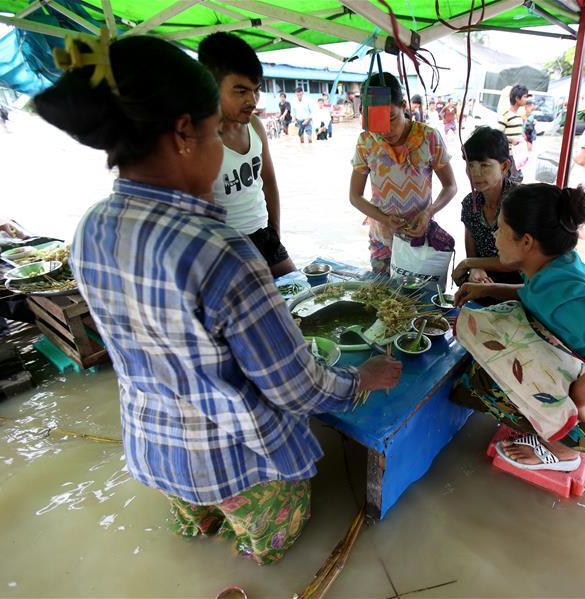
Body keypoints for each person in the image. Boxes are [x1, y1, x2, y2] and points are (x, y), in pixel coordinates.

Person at [35, 33, 401, 565]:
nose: (223, 141)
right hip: (236, 464)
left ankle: (200, 526)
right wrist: (359, 382)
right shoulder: (221, 252)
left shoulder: (91, 226)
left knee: (195, 546)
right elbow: (296, 386)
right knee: (271, 551)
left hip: (155, 453)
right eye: (214, 130)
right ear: (185, 132)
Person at [452, 183, 585, 469]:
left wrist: (579, 399)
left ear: (526, 242)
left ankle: (562, 452)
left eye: (500, 229)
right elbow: (536, 297)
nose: (494, 237)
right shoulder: (554, 268)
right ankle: (565, 429)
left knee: (483, 383)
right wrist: (486, 289)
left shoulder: (567, 293)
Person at [198, 33, 296, 277]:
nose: (252, 101)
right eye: (240, 91)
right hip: (228, 248)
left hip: (265, 235)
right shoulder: (201, 141)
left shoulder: (255, 126)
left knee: (301, 292)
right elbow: (206, 218)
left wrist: (275, 231)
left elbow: (269, 182)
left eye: (256, 90)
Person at [349, 72, 458, 273]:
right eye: (377, 121)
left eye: (391, 118)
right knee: (384, 299)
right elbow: (355, 197)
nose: (385, 130)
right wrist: (384, 219)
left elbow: (450, 186)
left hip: (420, 239)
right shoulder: (366, 141)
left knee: (418, 298)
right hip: (382, 241)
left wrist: (429, 212)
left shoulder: (428, 137)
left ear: (404, 106)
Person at [452, 127, 522, 289]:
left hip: (521, 291)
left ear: (504, 167)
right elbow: (472, 250)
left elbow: (521, 259)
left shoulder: (520, 201)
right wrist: (476, 268)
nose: (475, 173)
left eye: (484, 165)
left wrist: (470, 263)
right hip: (483, 287)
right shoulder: (470, 203)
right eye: (471, 165)